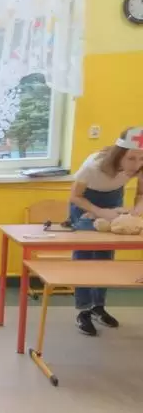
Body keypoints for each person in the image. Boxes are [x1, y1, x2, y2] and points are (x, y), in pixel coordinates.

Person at [69, 127, 143, 336]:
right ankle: (83, 309)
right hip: (86, 205)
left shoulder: (140, 166)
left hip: (113, 200)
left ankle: (98, 307)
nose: (136, 164)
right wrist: (100, 212)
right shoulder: (93, 166)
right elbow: (75, 196)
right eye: (131, 158)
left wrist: (137, 209)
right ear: (119, 154)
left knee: (104, 258)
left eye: (141, 159)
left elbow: (141, 193)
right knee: (85, 258)